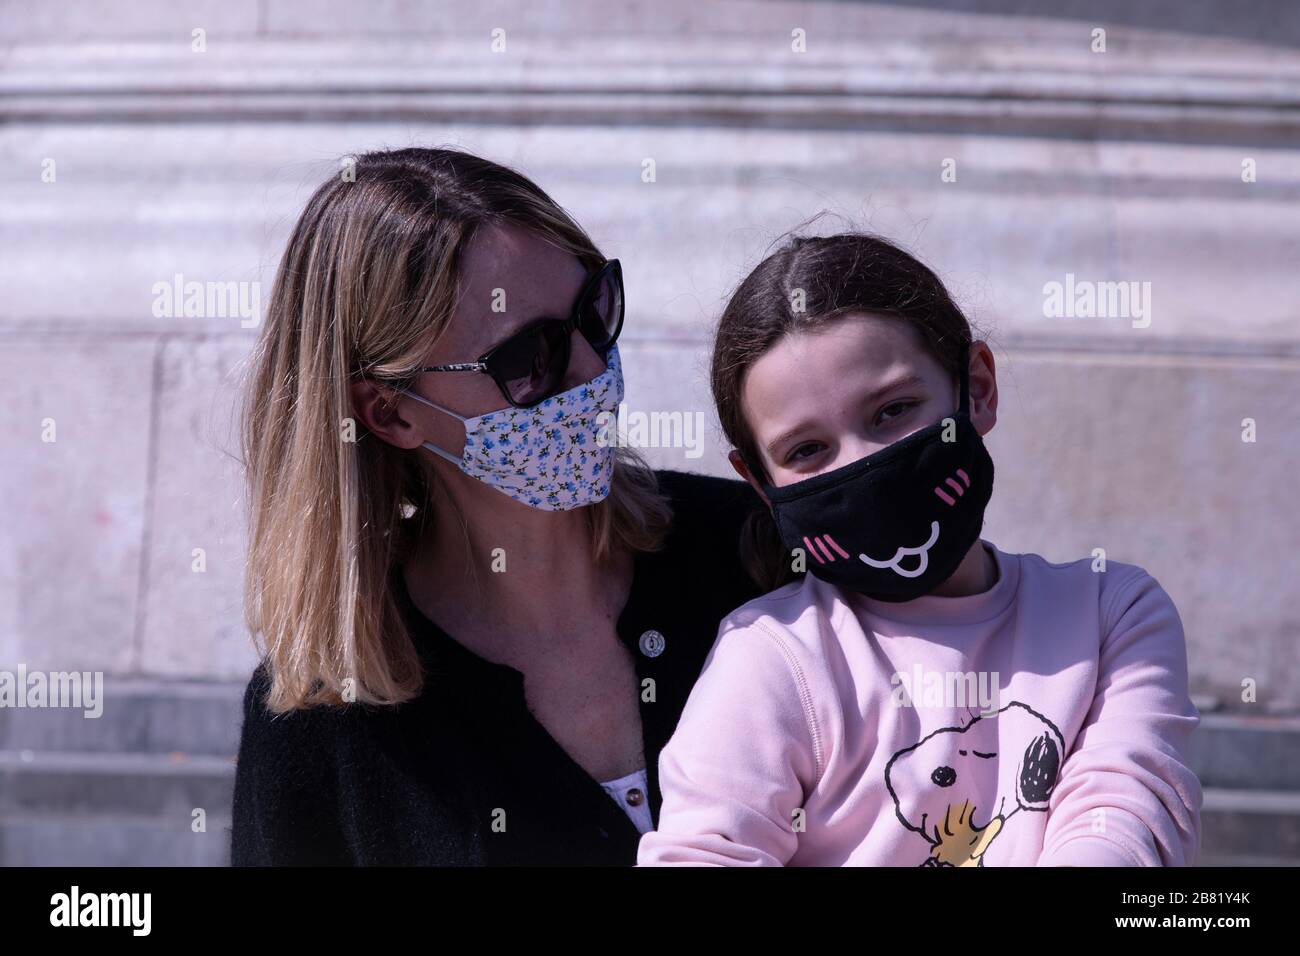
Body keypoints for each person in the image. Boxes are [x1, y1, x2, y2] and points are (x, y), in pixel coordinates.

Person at [230, 146, 765, 865]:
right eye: (529, 357)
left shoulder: (754, 551)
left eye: (593, 313)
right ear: (390, 414)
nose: (590, 372)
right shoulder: (327, 719)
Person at [636, 233, 1203, 866]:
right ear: (761, 486)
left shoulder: (1109, 615)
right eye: (806, 450)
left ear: (978, 388)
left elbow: (1123, 819)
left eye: (892, 410)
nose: (864, 464)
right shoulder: (770, 660)